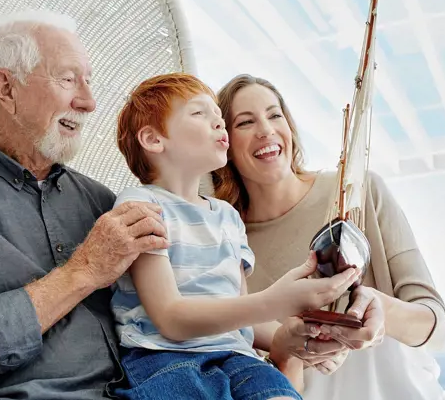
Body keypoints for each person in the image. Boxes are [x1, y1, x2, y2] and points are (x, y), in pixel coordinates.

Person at [0, 10, 172, 399]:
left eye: (89, 82)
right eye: (68, 79)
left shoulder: (102, 202)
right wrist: (83, 271)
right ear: (6, 89)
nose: (89, 102)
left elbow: (165, 317)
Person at [110, 73, 362, 400]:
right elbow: (171, 319)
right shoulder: (142, 206)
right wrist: (275, 300)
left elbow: (241, 317)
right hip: (164, 357)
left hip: (237, 356)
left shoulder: (227, 217)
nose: (219, 123)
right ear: (154, 140)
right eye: (201, 113)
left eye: (219, 116)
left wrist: (303, 332)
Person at [212, 74, 445, 399]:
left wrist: (377, 310)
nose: (266, 130)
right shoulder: (229, 244)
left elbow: (435, 327)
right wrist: (289, 347)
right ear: (224, 141)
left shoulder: (359, 190)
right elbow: (264, 370)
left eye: (274, 114)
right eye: (245, 122)